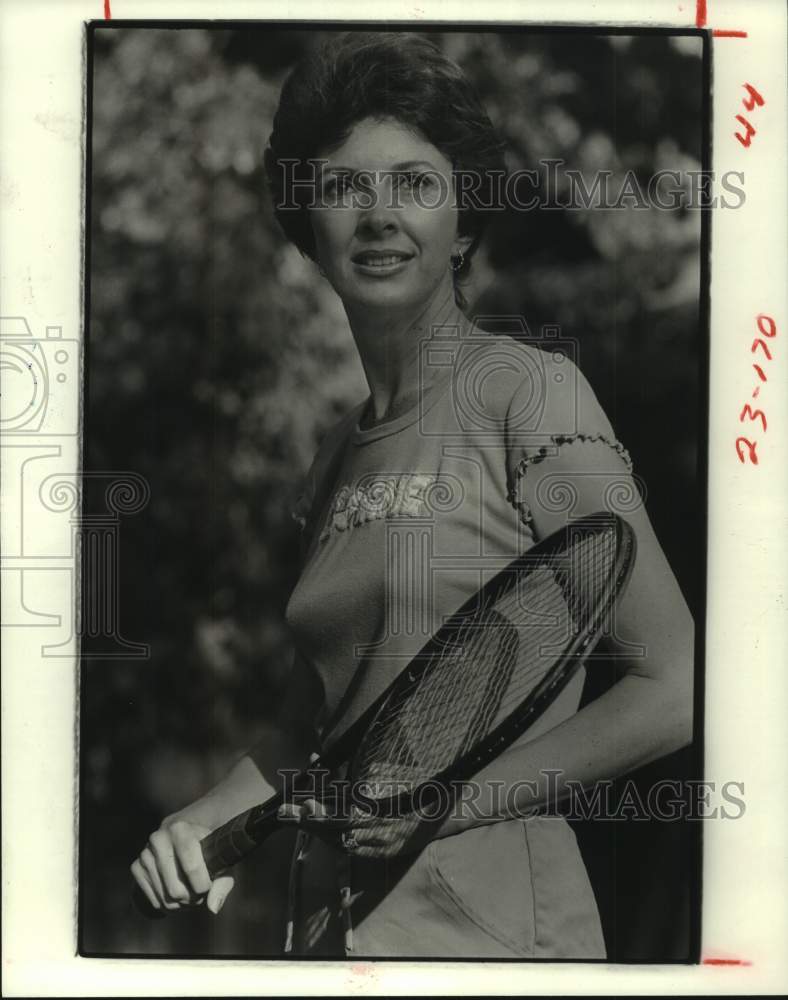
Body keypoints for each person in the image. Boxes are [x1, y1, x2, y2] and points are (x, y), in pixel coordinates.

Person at [130, 31, 694, 959]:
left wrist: (455, 804)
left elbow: (673, 686)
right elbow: (304, 736)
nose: (379, 214)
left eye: (416, 183)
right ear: (307, 228)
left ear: (463, 223)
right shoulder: (329, 461)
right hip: (333, 943)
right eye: (345, 187)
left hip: (502, 943)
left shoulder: (531, 393)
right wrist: (197, 827)